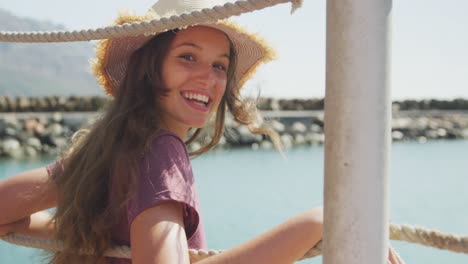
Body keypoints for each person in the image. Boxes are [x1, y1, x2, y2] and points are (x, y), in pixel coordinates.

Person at [0, 0, 404, 263]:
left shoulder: (111, 147)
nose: (207, 78)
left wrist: (88, 238)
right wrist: (320, 223)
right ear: (149, 67)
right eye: (187, 57)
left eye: (219, 66)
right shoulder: (161, 151)